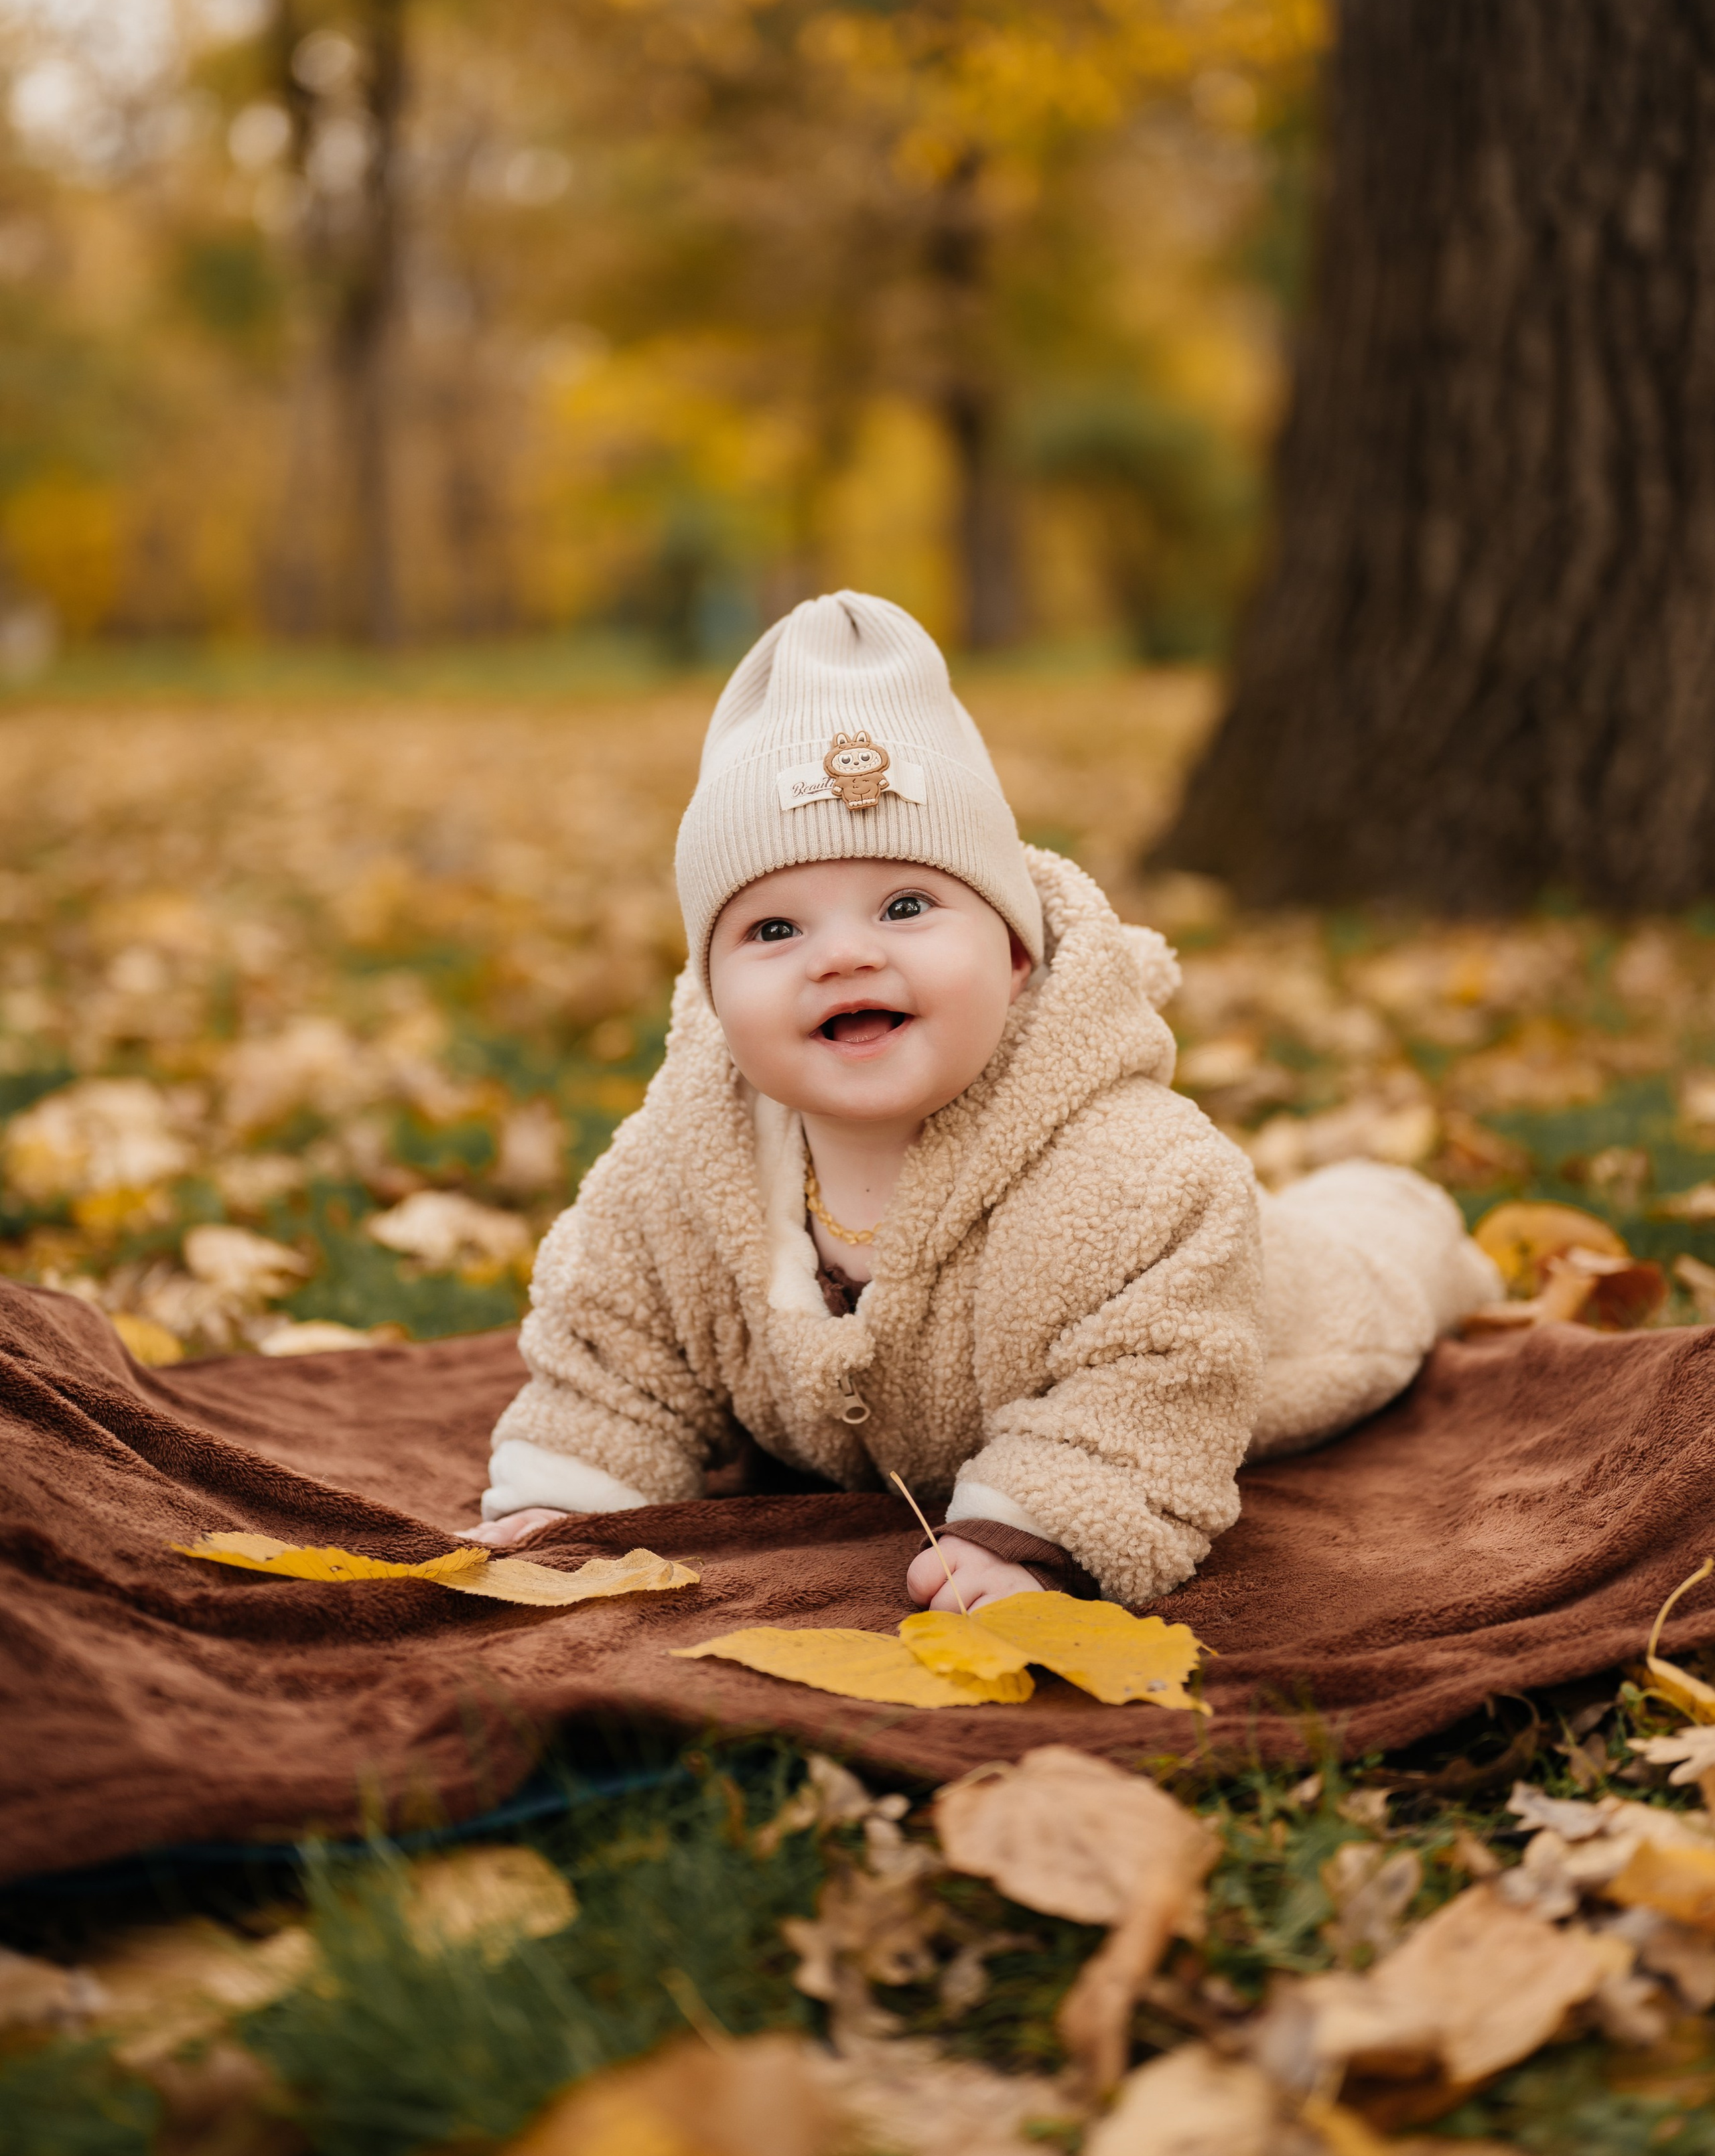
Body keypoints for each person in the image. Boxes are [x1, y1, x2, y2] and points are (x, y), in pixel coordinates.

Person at [468, 591, 1498, 1611]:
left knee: (1378, 1262)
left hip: (1280, 1320)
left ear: (1015, 955)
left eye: (906, 906)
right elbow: (615, 1347)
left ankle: (1412, 1218)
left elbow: (1153, 1379)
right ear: (709, 991)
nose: (846, 953)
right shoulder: (673, 1174)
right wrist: (573, 1492)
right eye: (774, 931)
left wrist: (1035, 1527)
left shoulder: (1142, 1178)